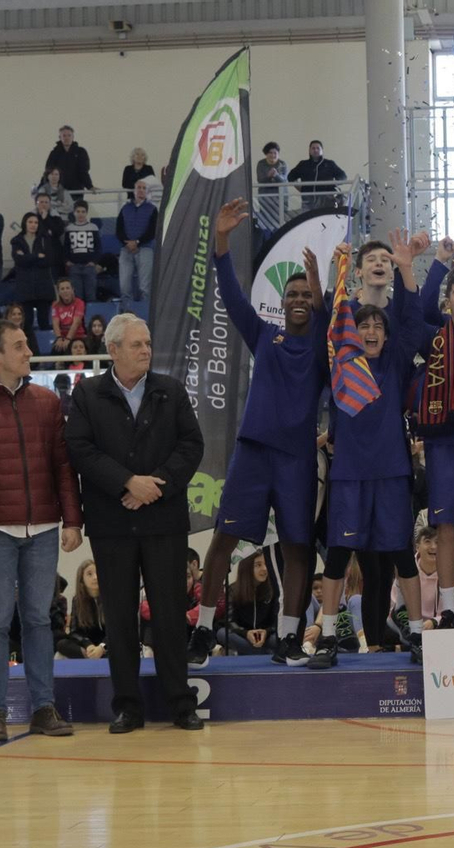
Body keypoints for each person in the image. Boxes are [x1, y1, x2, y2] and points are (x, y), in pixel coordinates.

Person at [188, 199, 327, 668]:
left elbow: (331, 318)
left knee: (296, 548)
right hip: (254, 453)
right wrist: (222, 241)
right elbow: (230, 295)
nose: (299, 301)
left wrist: (320, 283)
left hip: (296, 460)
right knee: (224, 541)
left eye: (307, 296)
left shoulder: (322, 347)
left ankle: (289, 638)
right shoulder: (266, 335)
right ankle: (204, 630)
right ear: (282, 303)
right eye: (293, 295)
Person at [62, 309, 204, 729]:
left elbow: (191, 446)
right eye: (137, 344)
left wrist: (154, 484)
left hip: (163, 519)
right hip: (112, 523)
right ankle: (127, 705)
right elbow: (80, 450)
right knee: (120, 617)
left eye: (148, 343)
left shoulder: (170, 390)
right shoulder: (87, 394)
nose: (146, 350)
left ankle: (181, 703)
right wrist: (126, 482)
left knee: (168, 614)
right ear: (114, 350)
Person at [0, 318, 83, 742]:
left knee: (39, 620)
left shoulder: (46, 402)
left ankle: (44, 708)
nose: (29, 351)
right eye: (20, 345)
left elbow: (64, 467)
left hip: (44, 528)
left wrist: (73, 519)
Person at [312, 231, 428, 664]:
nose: (373, 330)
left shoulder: (397, 360)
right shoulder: (342, 364)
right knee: (339, 556)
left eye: (379, 325)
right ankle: (326, 635)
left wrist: (405, 266)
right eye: (364, 326)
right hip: (349, 475)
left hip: (393, 473)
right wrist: (332, 270)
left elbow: (413, 322)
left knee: (402, 554)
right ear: (351, 334)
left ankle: (417, 634)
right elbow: (327, 318)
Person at [10, 212, 57, 332]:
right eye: (30, 222)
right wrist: (37, 256)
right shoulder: (16, 240)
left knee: (44, 323)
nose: (33, 225)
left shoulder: (44, 239)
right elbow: (19, 261)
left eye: (36, 222)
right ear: (24, 223)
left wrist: (27, 257)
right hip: (25, 288)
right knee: (27, 324)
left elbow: (48, 260)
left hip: (43, 286)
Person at [117, 181, 158, 317]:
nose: (141, 190)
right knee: (124, 287)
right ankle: (126, 316)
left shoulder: (152, 209)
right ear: (134, 191)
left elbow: (152, 231)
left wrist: (137, 242)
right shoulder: (125, 208)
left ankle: (146, 317)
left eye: (143, 188)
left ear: (147, 192)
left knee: (144, 287)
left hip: (145, 249)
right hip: (126, 250)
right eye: (138, 188)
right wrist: (128, 243)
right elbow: (119, 229)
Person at [57, 559, 107, 659]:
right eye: (90, 574)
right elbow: (74, 632)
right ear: (81, 579)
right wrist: (88, 645)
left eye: (98, 573)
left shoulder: (110, 599)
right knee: (62, 644)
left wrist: (102, 647)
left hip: (106, 645)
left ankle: (98, 655)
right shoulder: (77, 600)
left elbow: (115, 630)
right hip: (88, 646)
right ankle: (90, 656)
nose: (95, 577)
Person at [61, 200, 102, 304]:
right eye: (78, 211)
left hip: (89, 267)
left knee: (91, 296)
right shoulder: (69, 228)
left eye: (83, 211)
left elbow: (98, 247)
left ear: (86, 213)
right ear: (74, 212)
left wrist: (94, 262)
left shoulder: (93, 227)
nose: (80, 214)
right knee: (76, 298)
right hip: (74, 267)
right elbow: (66, 247)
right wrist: (67, 261)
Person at [290, 140, 346, 211]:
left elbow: (343, 176)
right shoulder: (303, 164)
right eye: (313, 148)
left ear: (322, 150)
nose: (315, 150)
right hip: (308, 202)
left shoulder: (329, 164)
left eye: (318, 148)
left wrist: (335, 183)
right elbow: (291, 177)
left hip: (327, 201)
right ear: (309, 150)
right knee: (308, 221)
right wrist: (300, 188)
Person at [43, 125, 93, 190]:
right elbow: (48, 171)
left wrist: (90, 186)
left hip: (76, 190)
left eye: (69, 135)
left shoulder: (81, 152)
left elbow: (83, 171)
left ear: (73, 137)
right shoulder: (54, 153)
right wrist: (42, 187)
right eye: (64, 135)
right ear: (60, 137)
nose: (67, 138)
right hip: (58, 190)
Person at [50, 279, 87, 356]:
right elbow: (55, 323)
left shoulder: (79, 303)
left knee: (71, 348)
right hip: (62, 337)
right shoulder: (55, 305)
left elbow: (76, 323)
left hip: (78, 336)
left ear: (72, 290)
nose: (65, 291)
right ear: (59, 292)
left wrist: (68, 339)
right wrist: (59, 338)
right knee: (56, 349)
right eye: (62, 289)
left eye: (67, 288)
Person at [255, 141, 288, 226]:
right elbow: (260, 180)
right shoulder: (261, 164)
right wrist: (268, 176)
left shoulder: (282, 164)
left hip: (280, 199)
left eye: (275, 153)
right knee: (265, 222)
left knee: (280, 223)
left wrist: (276, 175)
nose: (273, 155)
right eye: (270, 153)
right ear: (266, 154)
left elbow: (283, 182)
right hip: (265, 199)